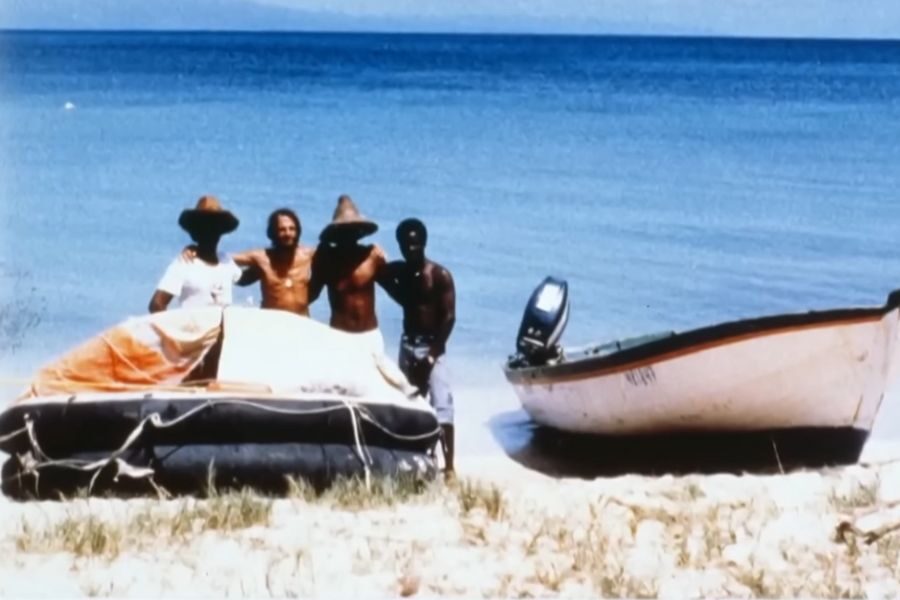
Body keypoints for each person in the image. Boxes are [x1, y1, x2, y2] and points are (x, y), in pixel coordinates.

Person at [381, 218, 457, 476]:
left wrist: (431, 357)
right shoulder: (401, 272)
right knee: (410, 402)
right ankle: (415, 457)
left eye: (415, 244)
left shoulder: (439, 275)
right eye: (405, 245)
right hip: (408, 344)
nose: (411, 249)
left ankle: (449, 468)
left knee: (442, 408)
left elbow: (449, 318)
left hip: (432, 347)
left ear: (424, 243)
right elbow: (381, 275)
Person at [182, 208, 316, 316]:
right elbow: (219, 257)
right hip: (272, 323)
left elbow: (332, 255)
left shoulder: (309, 255)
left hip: (302, 322)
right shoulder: (261, 257)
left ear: (298, 231)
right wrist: (196, 249)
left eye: (292, 229)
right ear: (273, 233)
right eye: (282, 229)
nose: (288, 233)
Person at [309, 195, 389, 345]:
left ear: (359, 231)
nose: (348, 234)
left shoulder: (369, 254)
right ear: (336, 233)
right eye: (344, 230)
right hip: (339, 334)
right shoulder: (326, 258)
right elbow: (315, 293)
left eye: (353, 230)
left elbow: (390, 285)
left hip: (369, 333)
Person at [148, 195, 243, 313]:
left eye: (215, 226)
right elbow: (157, 304)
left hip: (224, 330)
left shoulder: (226, 261)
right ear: (195, 231)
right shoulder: (185, 263)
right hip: (195, 330)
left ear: (220, 231)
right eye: (204, 227)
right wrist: (177, 330)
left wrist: (269, 258)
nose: (210, 231)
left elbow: (244, 279)